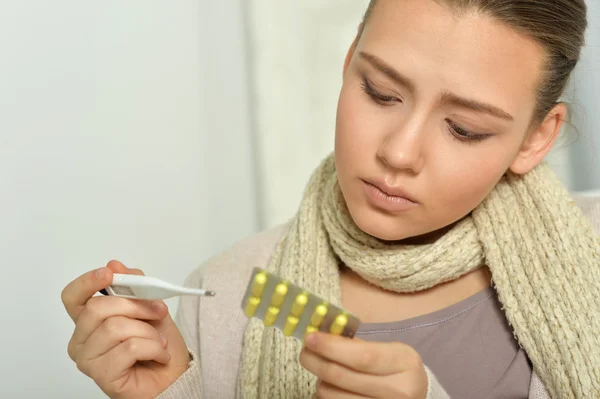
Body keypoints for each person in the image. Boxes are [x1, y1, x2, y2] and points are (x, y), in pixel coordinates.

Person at [61, 0, 600, 398]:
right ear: (349, 63)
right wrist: (175, 391)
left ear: (536, 138)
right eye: (380, 93)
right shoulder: (231, 293)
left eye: (463, 128)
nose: (400, 153)